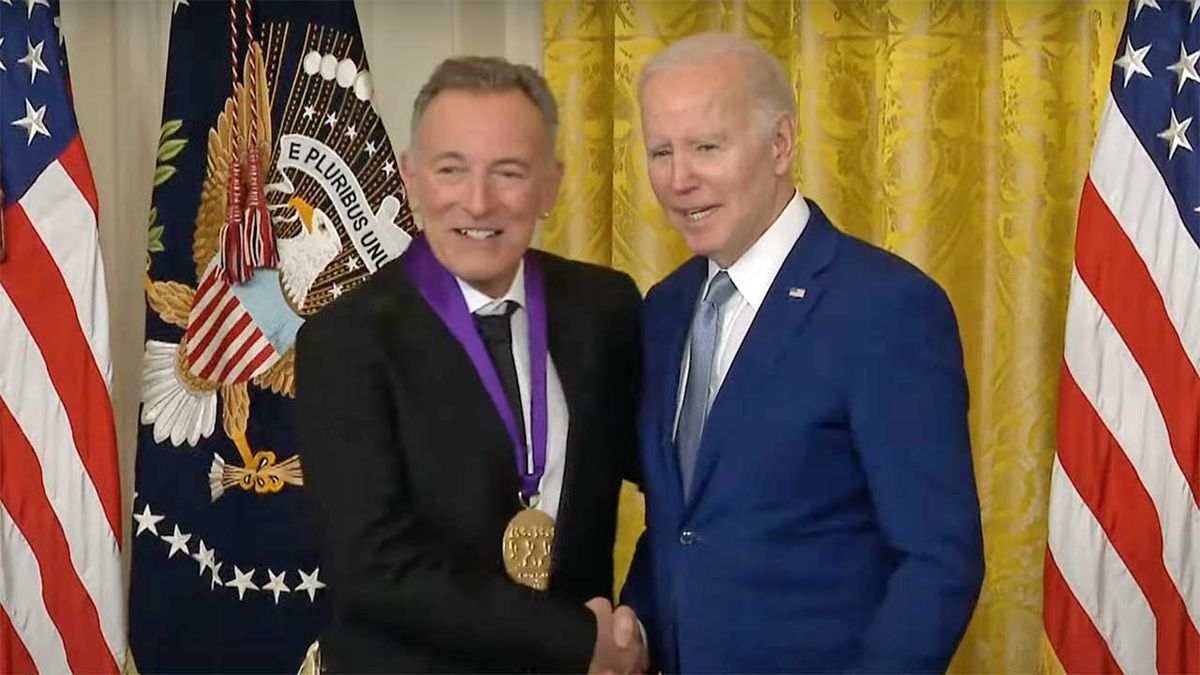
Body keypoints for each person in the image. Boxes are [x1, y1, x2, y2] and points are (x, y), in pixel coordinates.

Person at [622, 32, 985, 673]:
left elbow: (938, 562)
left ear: (781, 143)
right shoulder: (665, 308)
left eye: (708, 147)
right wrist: (637, 638)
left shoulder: (885, 307)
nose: (680, 179)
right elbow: (682, 525)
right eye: (661, 151)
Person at [296, 56, 646, 673]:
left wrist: (633, 622)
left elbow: (679, 491)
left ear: (550, 186)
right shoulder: (345, 339)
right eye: (450, 170)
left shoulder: (606, 308)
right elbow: (374, 570)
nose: (478, 202)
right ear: (410, 178)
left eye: (508, 172)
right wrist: (574, 641)